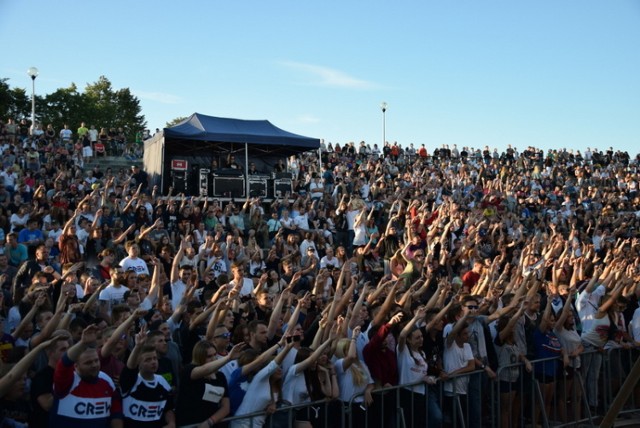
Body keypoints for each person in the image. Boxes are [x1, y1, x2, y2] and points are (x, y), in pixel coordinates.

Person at [51, 324, 123, 427]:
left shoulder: (106, 381)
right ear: (75, 365)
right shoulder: (67, 381)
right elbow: (64, 363)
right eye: (88, 363)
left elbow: (116, 413)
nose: (94, 365)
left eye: (96, 361)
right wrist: (82, 343)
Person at [119, 329, 175, 427]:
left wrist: (171, 423)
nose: (153, 362)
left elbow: (168, 408)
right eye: (148, 360)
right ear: (139, 363)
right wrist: (138, 347)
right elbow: (130, 368)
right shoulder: (131, 381)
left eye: (154, 358)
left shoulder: (162, 382)